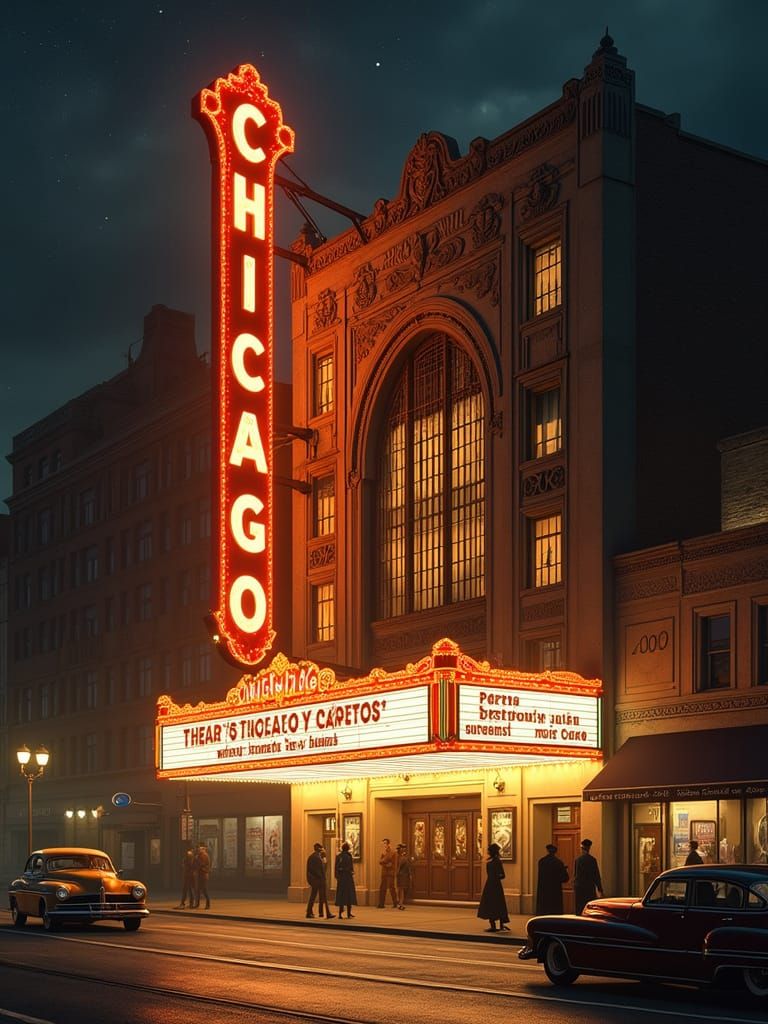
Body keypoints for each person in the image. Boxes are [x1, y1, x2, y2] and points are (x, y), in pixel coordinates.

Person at [477, 842, 510, 932]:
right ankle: (498, 925)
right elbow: (501, 875)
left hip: (491, 885)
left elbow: (502, 875)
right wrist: (496, 877)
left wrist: (495, 877)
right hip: (495, 885)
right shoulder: (495, 862)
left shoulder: (493, 862)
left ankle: (496, 925)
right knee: (497, 904)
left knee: (492, 904)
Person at [535, 843, 569, 915]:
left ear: (547, 851)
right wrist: (564, 869)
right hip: (554, 892)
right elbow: (565, 878)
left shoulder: (541, 861)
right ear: (555, 852)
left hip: (544, 892)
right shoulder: (559, 862)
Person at [573, 838, 602, 914]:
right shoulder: (592, 860)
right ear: (589, 848)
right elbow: (596, 875)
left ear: (582, 848)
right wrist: (600, 889)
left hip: (579, 888)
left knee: (580, 909)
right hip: (589, 888)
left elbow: (576, 875)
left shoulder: (578, 860)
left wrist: (574, 886)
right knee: (589, 909)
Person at [306, 843, 335, 918]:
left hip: (317, 879)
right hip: (318, 880)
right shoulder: (315, 857)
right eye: (321, 848)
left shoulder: (316, 857)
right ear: (319, 849)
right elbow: (317, 870)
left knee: (320, 896)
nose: (323, 850)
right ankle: (312, 912)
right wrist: (321, 877)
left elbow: (323, 868)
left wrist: (324, 859)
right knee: (320, 896)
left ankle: (318, 912)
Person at [334, 841, 357, 919]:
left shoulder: (339, 856)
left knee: (341, 895)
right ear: (348, 849)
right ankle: (348, 913)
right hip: (348, 878)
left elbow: (336, 867)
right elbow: (351, 867)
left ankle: (340, 913)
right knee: (349, 896)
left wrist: (337, 876)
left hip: (341, 878)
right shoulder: (349, 856)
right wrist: (351, 872)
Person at [377, 838, 398, 908]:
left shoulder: (392, 852)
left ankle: (395, 903)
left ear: (388, 844)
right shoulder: (384, 852)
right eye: (383, 843)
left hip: (390, 873)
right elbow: (380, 861)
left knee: (391, 888)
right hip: (384, 872)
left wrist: (384, 861)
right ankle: (381, 904)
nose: (384, 845)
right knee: (382, 888)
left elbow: (387, 859)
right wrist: (385, 862)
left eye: (385, 843)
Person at [175, 845, 195, 909]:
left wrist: (184, 865)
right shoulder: (192, 855)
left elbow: (188, 864)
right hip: (190, 875)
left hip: (187, 875)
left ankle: (183, 903)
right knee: (189, 889)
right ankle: (190, 903)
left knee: (185, 889)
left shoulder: (188, 855)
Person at [192, 842, 211, 909]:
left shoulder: (204, 855)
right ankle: (197, 904)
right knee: (198, 890)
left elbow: (201, 864)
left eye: (200, 848)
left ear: (203, 849)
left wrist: (197, 859)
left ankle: (208, 903)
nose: (198, 849)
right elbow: (194, 864)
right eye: (198, 848)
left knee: (204, 889)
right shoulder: (198, 855)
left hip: (203, 875)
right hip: (199, 875)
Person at [395, 843, 412, 909]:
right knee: (400, 889)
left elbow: (408, 866)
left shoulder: (404, 857)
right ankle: (400, 903)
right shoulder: (399, 857)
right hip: (400, 875)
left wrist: (410, 874)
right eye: (402, 848)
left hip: (404, 875)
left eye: (404, 848)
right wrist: (396, 873)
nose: (403, 849)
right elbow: (398, 866)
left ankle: (400, 903)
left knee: (401, 889)